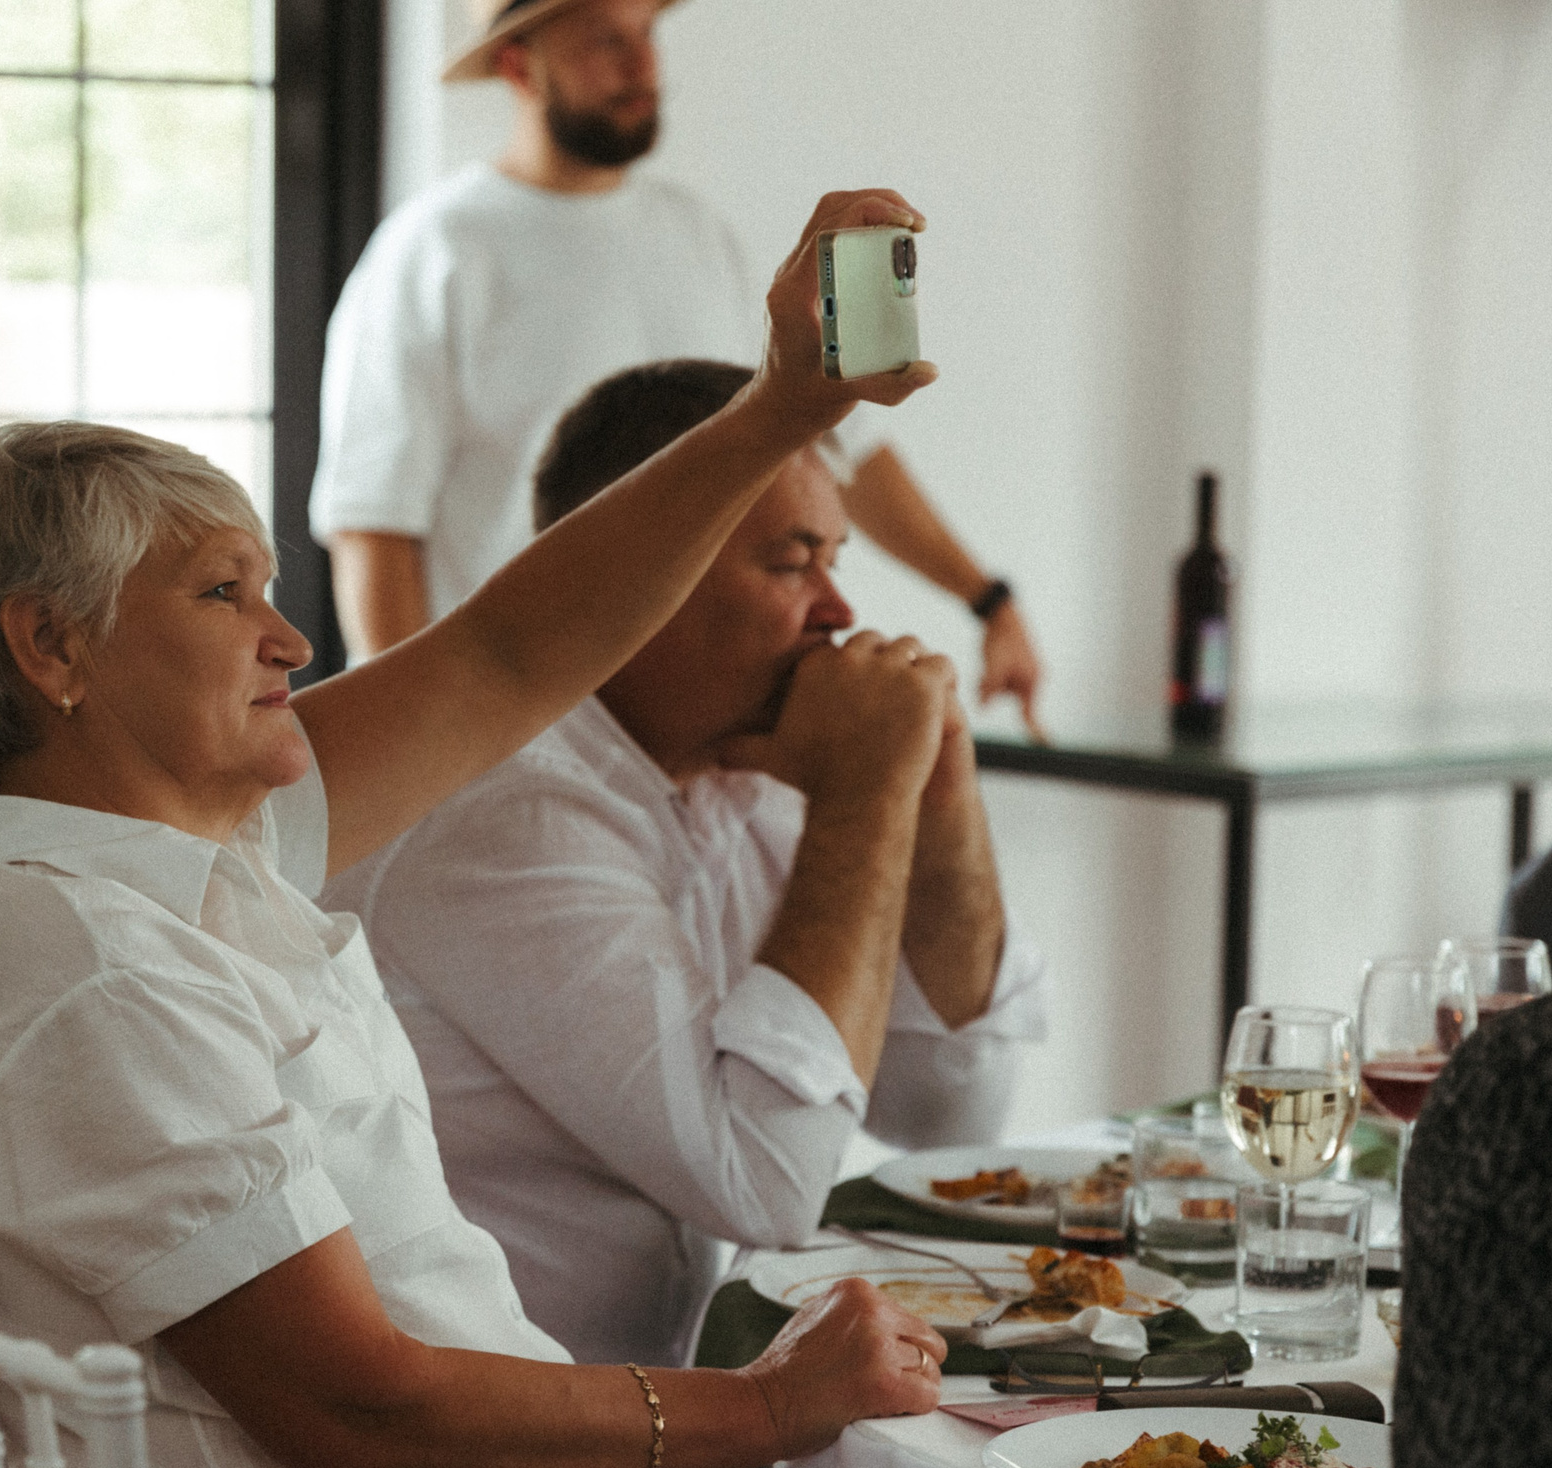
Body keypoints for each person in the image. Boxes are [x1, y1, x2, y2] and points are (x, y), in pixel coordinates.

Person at [0, 192, 952, 1468]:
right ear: (53, 649)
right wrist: (768, 1409)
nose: (290, 638)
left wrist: (783, 405)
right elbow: (363, 1414)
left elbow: (508, 652)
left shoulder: (174, 860)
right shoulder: (85, 961)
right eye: (223, 592)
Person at [326, 358, 1045, 1380]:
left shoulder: (746, 770)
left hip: (656, 1410)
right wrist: (864, 796)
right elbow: (767, 1183)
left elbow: (947, 1116)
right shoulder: (506, 813)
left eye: (835, 560)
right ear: (640, 572)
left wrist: (941, 796)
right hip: (491, 1443)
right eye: (793, 564)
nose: (839, 610)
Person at [308, 0, 1045, 735]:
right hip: (515, 732)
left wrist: (988, 601)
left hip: (691, 731)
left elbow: (830, 444)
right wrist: (420, 750)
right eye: (605, 41)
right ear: (517, 64)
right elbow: (375, 529)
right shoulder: (432, 253)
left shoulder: (696, 236)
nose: (643, 65)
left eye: (646, 32)